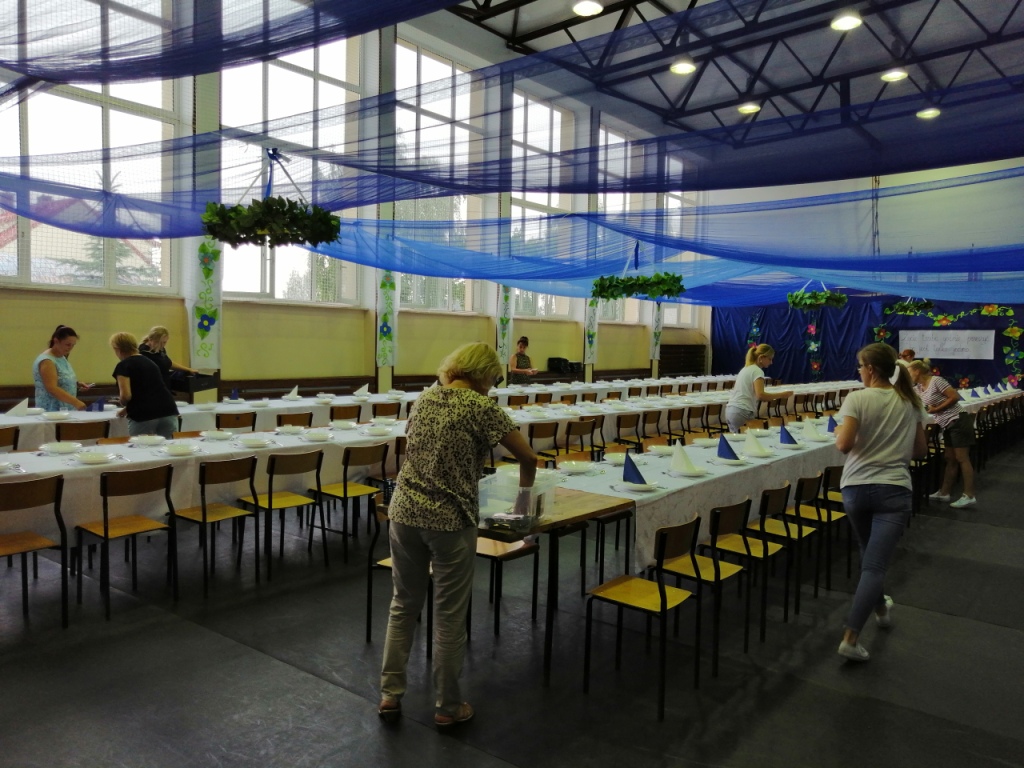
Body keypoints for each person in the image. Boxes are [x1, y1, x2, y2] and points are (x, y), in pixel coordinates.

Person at [379, 342, 538, 728]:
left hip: (404, 511)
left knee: (404, 604)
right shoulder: (482, 407)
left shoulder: (425, 399)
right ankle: (448, 706)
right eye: (494, 378)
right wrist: (523, 502)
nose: (493, 385)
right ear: (484, 374)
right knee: (449, 614)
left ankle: (389, 694)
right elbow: (528, 457)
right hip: (451, 519)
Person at [834, 343, 927, 662]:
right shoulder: (910, 402)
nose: (859, 371)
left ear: (871, 369)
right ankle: (851, 638)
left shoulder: (857, 398)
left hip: (856, 488)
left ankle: (881, 610)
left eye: (860, 366)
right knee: (874, 564)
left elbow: (844, 445)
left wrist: (842, 431)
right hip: (894, 489)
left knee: (868, 555)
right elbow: (920, 451)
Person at [907, 360, 976, 508]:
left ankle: (969, 495)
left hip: (958, 421)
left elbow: (955, 397)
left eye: (909, 371)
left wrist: (936, 409)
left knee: (962, 458)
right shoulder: (919, 388)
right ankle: (944, 493)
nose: (908, 374)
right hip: (948, 425)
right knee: (950, 458)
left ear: (917, 371)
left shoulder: (936, 381)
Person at [110, 332, 179, 439]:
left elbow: (126, 396)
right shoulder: (150, 363)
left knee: (142, 446)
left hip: (144, 414)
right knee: (168, 445)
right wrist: (127, 409)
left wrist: (123, 403)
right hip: (168, 410)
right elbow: (150, 391)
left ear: (118, 349)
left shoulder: (123, 365)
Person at [724, 344, 793, 433]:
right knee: (748, 438)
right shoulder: (757, 371)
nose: (771, 362)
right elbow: (760, 395)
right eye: (770, 359)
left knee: (736, 439)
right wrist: (782, 395)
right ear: (761, 358)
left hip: (731, 410)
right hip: (742, 410)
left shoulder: (746, 368)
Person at [33, 325, 87, 411]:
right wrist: (76, 402)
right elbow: (51, 388)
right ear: (56, 341)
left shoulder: (61, 357)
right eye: (68, 344)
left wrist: (74, 383)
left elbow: (59, 377)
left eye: (73, 345)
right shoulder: (47, 361)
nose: (70, 348)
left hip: (65, 408)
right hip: (51, 410)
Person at [139, 325, 199, 391]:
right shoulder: (143, 352)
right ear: (151, 339)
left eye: (164, 342)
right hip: (153, 388)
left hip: (164, 386)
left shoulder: (160, 349)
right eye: (160, 342)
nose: (162, 345)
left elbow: (168, 363)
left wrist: (188, 369)